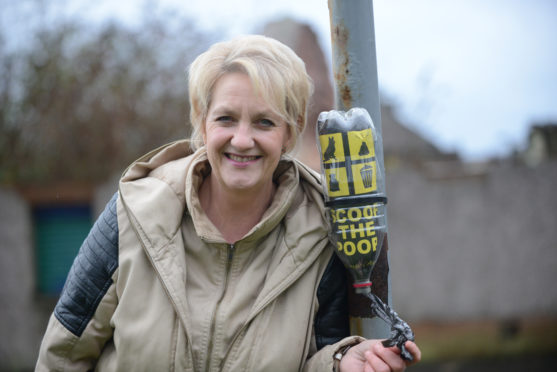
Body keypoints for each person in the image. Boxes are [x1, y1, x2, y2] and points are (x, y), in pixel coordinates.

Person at [36, 35, 420, 371]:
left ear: (290, 131)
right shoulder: (133, 213)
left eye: (264, 123)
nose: (241, 139)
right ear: (202, 122)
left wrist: (339, 363)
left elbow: (314, 358)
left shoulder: (322, 235)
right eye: (226, 118)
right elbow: (64, 354)